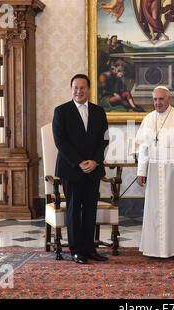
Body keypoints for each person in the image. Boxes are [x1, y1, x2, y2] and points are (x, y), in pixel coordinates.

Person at [135, 86, 174, 262]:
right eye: (155, 100)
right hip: (155, 170)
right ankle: (155, 249)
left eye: (161, 99)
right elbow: (144, 149)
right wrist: (141, 171)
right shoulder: (148, 119)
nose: (158, 103)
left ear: (169, 99)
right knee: (155, 211)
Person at [52, 74, 109, 265]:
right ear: (71, 89)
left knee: (90, 210)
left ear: (89, 89)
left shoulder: (99, 111)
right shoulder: (61, 111)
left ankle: (89, 249)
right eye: (75, 88)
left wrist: (95, 161)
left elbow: (105, 140)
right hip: (71, 169)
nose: (79, 91)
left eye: (82, 88)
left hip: (93, 169)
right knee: (74, 210)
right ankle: (76, 251)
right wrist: (79, 162)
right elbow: (61, 141)